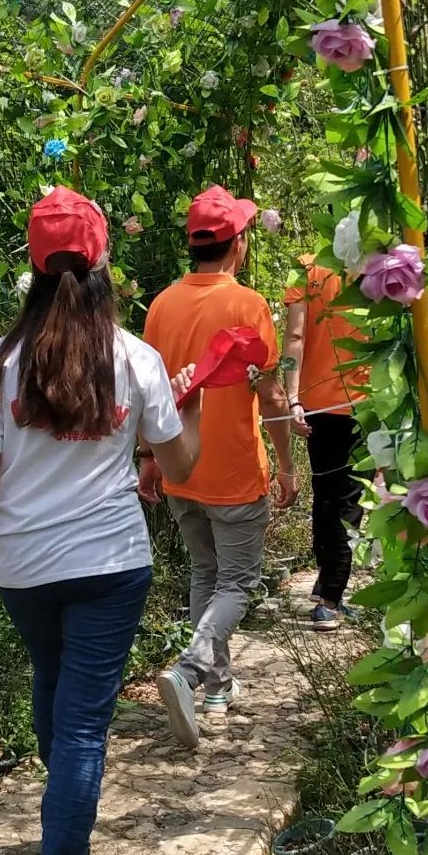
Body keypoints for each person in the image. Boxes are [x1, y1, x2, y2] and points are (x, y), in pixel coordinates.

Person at [0, 187, 201, 855]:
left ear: (34, 267)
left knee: (54, 689)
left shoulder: (0, 361)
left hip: (24, 566)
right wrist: (178, 418)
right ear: (104, 259)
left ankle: (62, 810)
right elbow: (179, 463)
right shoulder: (135, 357)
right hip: (110, 563)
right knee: (79, 722)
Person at [141, 184, 297, 749]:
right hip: (233, 472)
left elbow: (153, 394)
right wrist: (285, 464)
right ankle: (189, 670)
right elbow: (273, 397)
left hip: (182, 470)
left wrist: (149, 462)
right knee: (237, 583)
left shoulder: (161, 305)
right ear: (238, 243)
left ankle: (215, 685)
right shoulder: (248, 305)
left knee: (206, 576)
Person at [282, 252, 369, 630]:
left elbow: (295, 336)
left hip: (316, 402)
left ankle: (325, 586)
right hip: (361, 402)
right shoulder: (377, 262)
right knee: (347, 499)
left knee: (326, 492)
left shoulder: (306, 268)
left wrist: (293, 397)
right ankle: (330, 598)